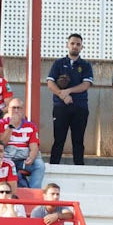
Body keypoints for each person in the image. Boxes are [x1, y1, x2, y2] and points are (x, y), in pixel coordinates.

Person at [46, 34, 94, 165]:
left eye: (78, 44)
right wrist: (62, 95)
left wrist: (68, 91)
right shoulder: (58, 63)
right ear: (67, 45)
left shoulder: (85, 65)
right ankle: (53, 166)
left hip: (80, 107)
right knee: (58, 139)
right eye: (72, 43)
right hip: (61, 107)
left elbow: (86, 85)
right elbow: (50, 83)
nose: (75, 46)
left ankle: (79, 167)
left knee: (78, 140)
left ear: (82, 47)